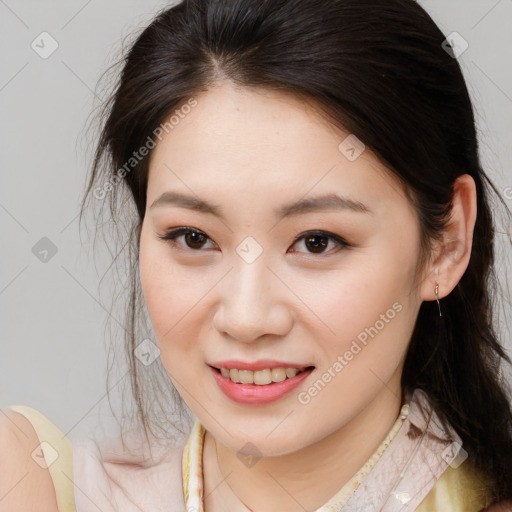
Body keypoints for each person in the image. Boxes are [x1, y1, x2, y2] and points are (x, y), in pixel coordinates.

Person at [1, 0, 512, 510]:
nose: (246, 319)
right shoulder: (35, 484)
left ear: (447, 243)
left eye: (317, 241)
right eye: (193, 237)